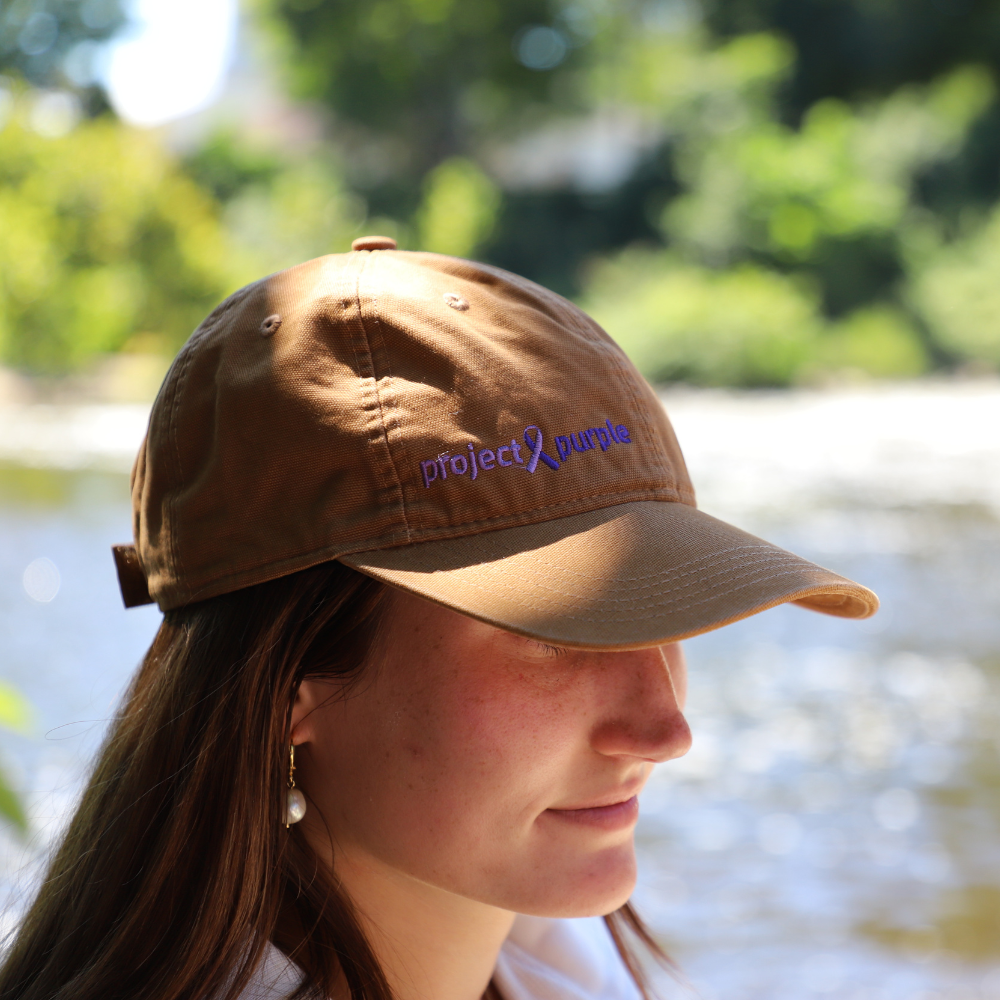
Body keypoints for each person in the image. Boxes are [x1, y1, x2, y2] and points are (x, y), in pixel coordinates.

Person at [0, 236, 877, 1000]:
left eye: (668, 608)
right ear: (285, 688)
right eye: (557, 632)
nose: (666, 728)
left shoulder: (546, 954)